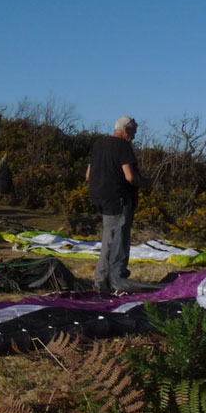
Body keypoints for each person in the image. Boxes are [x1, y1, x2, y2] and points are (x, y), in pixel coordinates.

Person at [86, 116, 149, 294]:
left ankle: (105, 280)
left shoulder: (98, 144)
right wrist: (146, 183)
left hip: (98, 196)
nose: (134, 136)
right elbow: (129, 177)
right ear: (126, 130)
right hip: (117, 198)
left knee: (109, 236)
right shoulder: (123, 146)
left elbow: (88, 175)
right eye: (133, 132)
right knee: (114, 239)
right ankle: (106, 282)